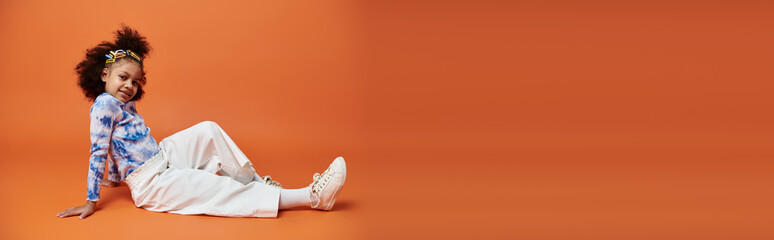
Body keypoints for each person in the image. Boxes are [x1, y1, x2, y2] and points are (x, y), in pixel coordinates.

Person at [56, 25, 346, 219]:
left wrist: (116, 177)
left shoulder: (121, 104)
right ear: (104, 75)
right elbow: (99, 150)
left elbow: (120, 145)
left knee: (208, 130)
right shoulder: (104, 105)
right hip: (152, 182)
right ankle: (310, 197)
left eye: (135, 80)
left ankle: (259, 184)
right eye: (123, 78)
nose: (130, 85)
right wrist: (91, 201)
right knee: (214, 188)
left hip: (162, 156)